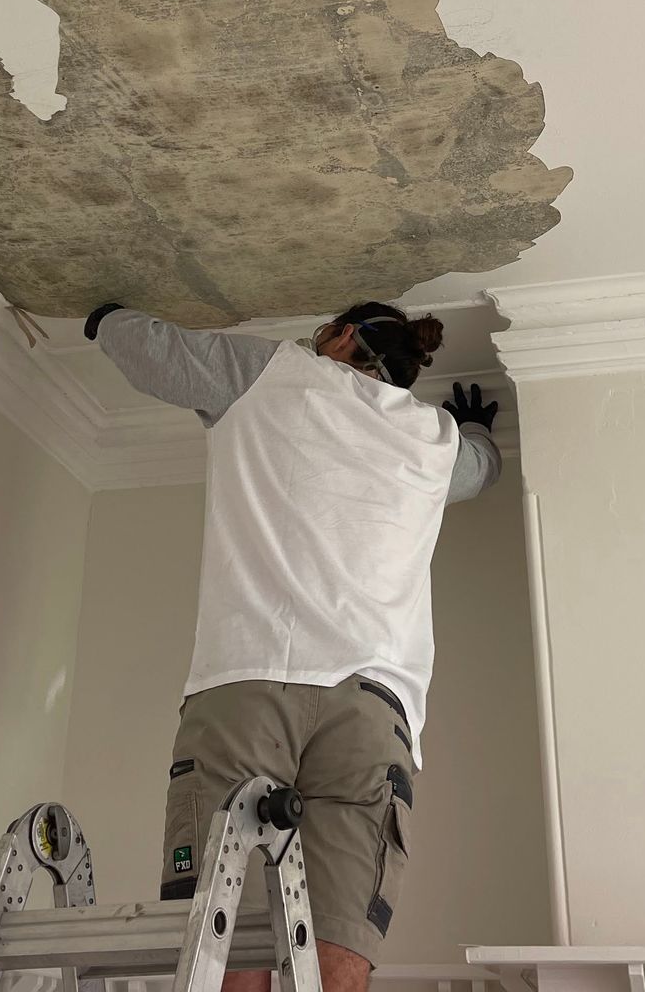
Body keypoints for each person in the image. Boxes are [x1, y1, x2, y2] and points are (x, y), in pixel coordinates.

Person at [84, 298, 503, 992]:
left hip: (254, 680)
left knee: (232, 937)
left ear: (339, 338)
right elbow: (482, 467)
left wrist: (104, 317)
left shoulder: (271, 372)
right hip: (373, 711)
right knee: (339, 942)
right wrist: (474, 431)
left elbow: (153, 353)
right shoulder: (433, 440)